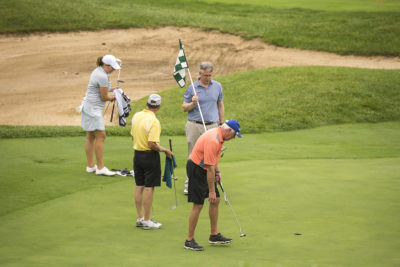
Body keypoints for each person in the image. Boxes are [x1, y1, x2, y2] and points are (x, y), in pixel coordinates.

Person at [184, 120, 242, 251]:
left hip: (205, 168)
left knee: (216, 200)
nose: (233, 139)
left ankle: (214, 235)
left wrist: (218, 171)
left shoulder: (220, 137)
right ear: (228, 131)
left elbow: (213, 161)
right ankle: (189, 240)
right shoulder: (214, 140)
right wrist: (211, 191)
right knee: (198, 204)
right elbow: (209, 167)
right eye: (234, 136)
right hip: (197, 169)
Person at [131, 94, 173, 230]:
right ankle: (147, 221)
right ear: (159, 107)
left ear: (147, 103)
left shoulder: (136, 116)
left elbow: (133, 137)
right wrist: (165, 150)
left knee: (139, 186)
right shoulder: (154, 121)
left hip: (137, 155)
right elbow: (152, 144)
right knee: (149, 188)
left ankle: (140, 218)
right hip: (150, 157)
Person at [182, 62, 225, 194]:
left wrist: (221, 123)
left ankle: (209, 184)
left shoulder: (217, 86)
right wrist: (193, 103)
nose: (208, 78)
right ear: (200, 74)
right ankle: (189, 184)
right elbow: (184, 107)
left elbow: (220, 105)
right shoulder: (192, 88)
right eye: (205, 75)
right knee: (193, 155)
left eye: (210, 75)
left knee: (212, 156)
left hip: (212, 125)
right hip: (195, 125)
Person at [81, 55, 121, 176]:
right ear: (106, 65)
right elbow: (104, 97)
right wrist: (113, 98)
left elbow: (103, 88)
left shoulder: (98, 71)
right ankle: (100, 168)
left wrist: (113, 89)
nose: (113, 70)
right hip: (93, 110)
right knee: (101, 136)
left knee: (90, 136)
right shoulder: (102, 75)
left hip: (88, 107)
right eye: (112, 67)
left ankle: (91, 166)